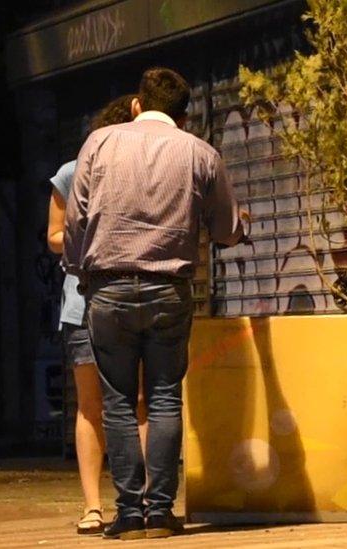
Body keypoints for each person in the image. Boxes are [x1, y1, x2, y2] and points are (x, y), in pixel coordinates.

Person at [64, 67, 248, 540]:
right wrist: (239, 225)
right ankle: (160, 513)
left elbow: (76, 222)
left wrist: (81, 270)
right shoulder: (200, 153)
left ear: (136, 106)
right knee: (165, 398)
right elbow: (226, 231)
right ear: (184, 116)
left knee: (119, 402)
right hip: (170, 291)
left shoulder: (100, 144)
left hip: (109, 289)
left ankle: (127, 515)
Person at [47, 93, 148, 536]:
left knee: (139, 401)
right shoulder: (72, 173)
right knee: (91, 407)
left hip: (130, 295)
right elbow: (51, 235)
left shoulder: (143, 172)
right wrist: (86, 239)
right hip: (82, 301)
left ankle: (142, 500)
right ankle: (93, 505)